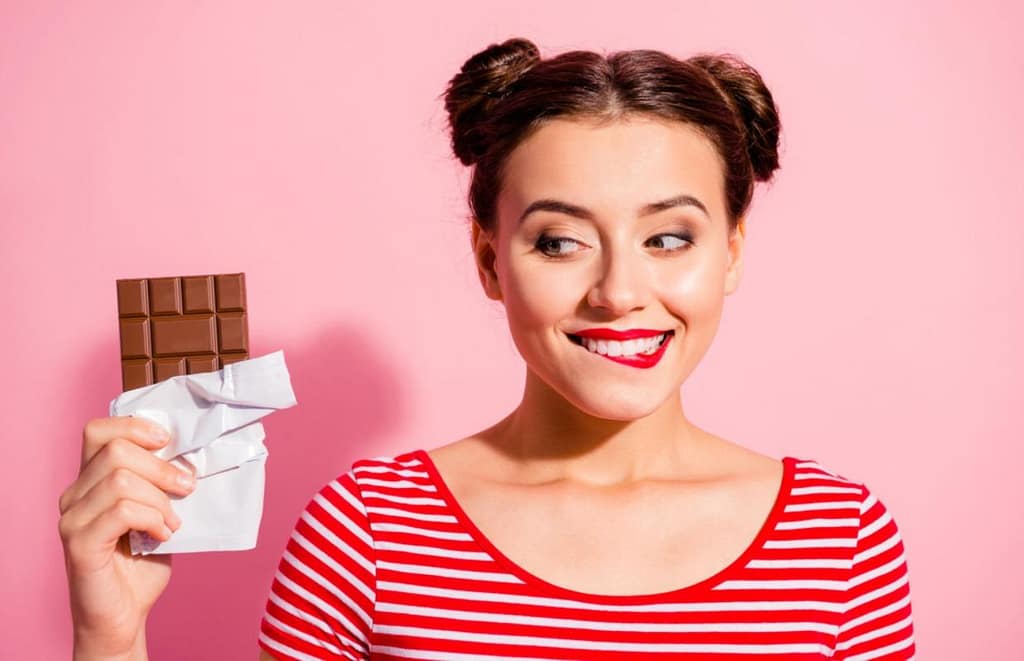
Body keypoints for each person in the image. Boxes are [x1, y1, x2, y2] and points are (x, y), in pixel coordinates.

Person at [59, 37, 915, 660]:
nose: (619, 292)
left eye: (668, 238)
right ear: (488, 260)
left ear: (729, 252)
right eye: (558, 241)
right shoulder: (364, 532)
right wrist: (112, 630)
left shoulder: (840, 542)